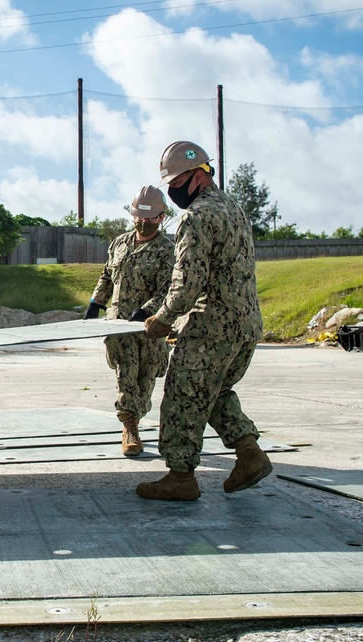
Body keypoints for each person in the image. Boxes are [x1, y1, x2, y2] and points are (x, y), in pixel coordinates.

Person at [137, 140, 270, 501]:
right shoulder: (234, 208)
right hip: (245, 327)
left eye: (176, 182)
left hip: (211, 327)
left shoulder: (196, 217)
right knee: (213, 393)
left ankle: (181, 477)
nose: (173, 190)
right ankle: (249, 454)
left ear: (197, 176)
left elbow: (188, 280)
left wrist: (162, 319)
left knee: (182, 397)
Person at [84, 186, 174, 457]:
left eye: (150, 219)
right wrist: (96, 303)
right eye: (138, 218)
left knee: (146, 376)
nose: (143, 223)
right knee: (126, 373)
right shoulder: (119, 243)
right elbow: (106, 275)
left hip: (149, 328)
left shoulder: (167, 251)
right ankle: (129, 428)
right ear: (132, 215)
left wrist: (146, 311)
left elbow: (169, 288)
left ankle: (137, 416)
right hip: (118, 326)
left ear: (161, 218)